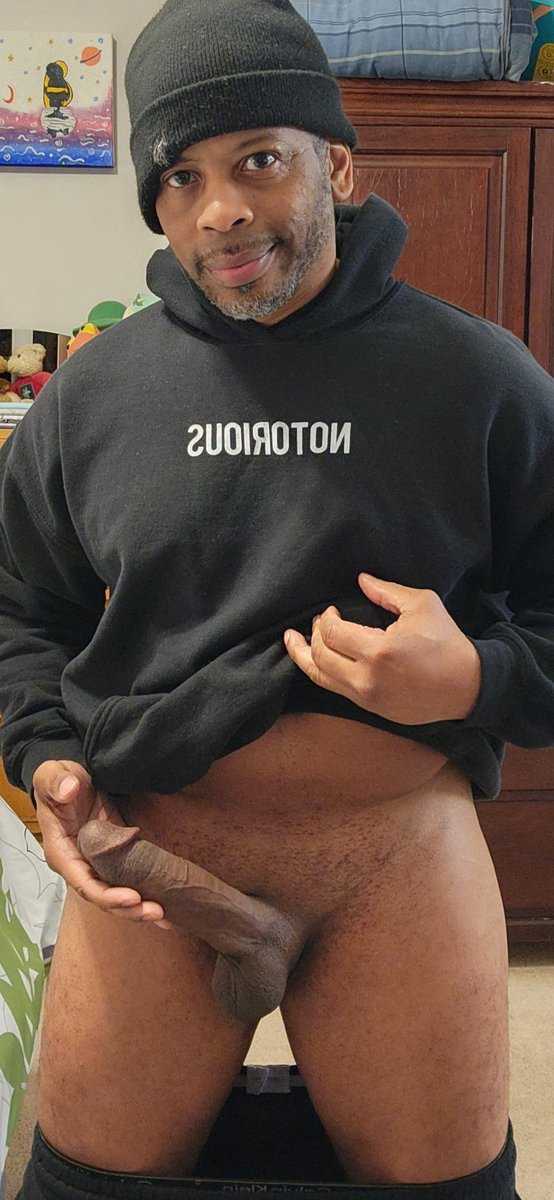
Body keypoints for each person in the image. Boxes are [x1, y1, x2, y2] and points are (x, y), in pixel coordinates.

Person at [1, 0, 552, 1196]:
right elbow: (21, 614)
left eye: (258, 160)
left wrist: (475, 676)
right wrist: (45, 759)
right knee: (85, 1186)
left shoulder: (481, 378)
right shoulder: (87, 401)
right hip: (159, 856)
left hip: (393, 855)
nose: (220, 210)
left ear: (335, 167)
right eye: (181, 177)